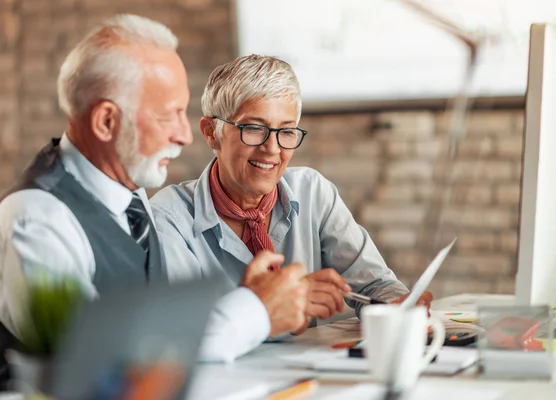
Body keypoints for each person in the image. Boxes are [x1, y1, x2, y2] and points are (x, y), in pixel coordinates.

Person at [0, 15, 310, 370]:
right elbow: (96, 362)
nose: (185, 135)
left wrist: (248, 296)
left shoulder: (129, 198)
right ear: (106, 122)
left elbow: (149, 324)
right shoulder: (35, 218)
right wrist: (256, 310)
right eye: (169, 116)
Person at [150, 55, 433, 361]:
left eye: (286, 132)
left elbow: (376, 284)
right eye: (254, 129)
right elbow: (174, 338)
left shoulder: (313, 191)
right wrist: (272, 305)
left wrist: (398, 306)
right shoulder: (168, 219)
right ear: (211, 132)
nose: (272, 149)